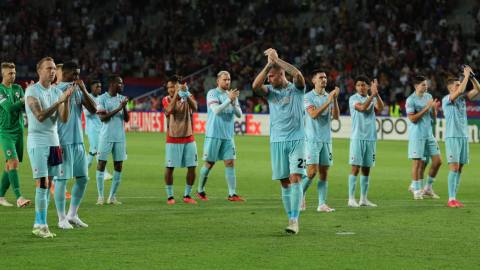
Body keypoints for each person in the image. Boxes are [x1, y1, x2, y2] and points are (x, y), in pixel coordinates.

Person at [252, 48, 305, 234]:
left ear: (282, 74)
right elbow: (255, 86)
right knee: (284, 181)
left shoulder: (296, 89)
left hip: (297, 139)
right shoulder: (271, 93)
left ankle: (294, 220)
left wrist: (277, 60)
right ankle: (291, 215)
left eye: (272, 76)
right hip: (277, 141)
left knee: (295, 177)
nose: (269, 79)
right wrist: (268, 65)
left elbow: (297, 74)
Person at [26, 57, 74, 238]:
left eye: (54, 69)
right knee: (42, 183)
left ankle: (39, 224)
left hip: (54, 142)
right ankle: (42, 225)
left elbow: (63, 119)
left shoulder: (55, 91)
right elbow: (40, 116)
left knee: (49, 183)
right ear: (39, 71)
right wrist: (60, 101)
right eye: (48, 68)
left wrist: (66, 100)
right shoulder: (33, 90)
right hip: (38, 142)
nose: (52, 72)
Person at [53, 61, 97, 229]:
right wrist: (56, 142)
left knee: (83, 178)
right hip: (62, 142)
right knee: (62, 180)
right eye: (75, 74)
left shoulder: (79, 90)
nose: (78, 77)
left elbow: (93, 110)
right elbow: (51, 119)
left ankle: (72, 215)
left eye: (79, 74)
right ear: (65, 75)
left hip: (78, 142)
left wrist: (84, 89)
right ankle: (61, 218)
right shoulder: (55, 91)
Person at [196, 71, 245, 202]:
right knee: (209, 163)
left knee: (230, 162)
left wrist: (234, 103)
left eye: (229, 80)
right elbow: (216, 110)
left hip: (228, 136)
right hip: (214, 134)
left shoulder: (232, 95)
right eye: (225, 80)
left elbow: (239, 115)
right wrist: (229, 99)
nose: (227, 82)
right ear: (218, 81)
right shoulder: (212, 93)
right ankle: (200, 190)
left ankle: (232, 194)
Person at [301, 70, 339, 212]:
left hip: (326, 140)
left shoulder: (329, 96)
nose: (324, 79)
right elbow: (313, 114)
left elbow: (335, 116)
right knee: (312, 172)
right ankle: (300, 194)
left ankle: (321, 204)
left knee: (325, 172)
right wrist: (328, 101)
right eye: (321, 77)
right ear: (314, 81)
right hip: (312, 140)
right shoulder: (308, 97)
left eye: (325, 77)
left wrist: (334, 100)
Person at [442, 66, 480, 207]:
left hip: (463, 136)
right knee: (454, 166)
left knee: (460, 168)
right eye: (457, 85)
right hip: (452, 137)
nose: (460, 86)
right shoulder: (447, 99)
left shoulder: (463, 100)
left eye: (460, 83)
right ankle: (450, 199)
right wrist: (465, 76)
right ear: (450, 88)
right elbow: (461, 90)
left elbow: (478, 90)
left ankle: (454, 198)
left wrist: (472, 77)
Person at [347, 76, 384, 207]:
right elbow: (362, 108)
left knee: (366, 169)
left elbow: (381, 107)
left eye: (364, 85)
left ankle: (363, 199)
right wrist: (372, 95)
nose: (361, 87)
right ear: (355, 87)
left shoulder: (373, 97)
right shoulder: (353, 98)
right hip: (357, 137)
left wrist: (376, 94)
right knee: (355, 168)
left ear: (368, 86)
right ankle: (351, 199)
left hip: (371, 138)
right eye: (358, 85)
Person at [162, 75, 198, 204]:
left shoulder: (188, 96)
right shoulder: (166, 99)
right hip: (173, 138)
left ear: (179, 84)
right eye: (169, 87)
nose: (170, 89)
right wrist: (177, 93)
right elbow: (169, 109)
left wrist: (186, 94)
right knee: (170, 167)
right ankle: (170, 196)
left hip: (189, 137)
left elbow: (194, 107)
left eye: (173, 86)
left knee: (192, 167)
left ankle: (187, 195)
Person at [95, 74, 130, 205]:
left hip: (120, 138)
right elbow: (102, 118)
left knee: (119, 166)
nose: (122, 85)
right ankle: (100, 196)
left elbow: (126, 119)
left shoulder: (122, 99)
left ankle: (112, 197)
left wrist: (124, 107)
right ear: (112, 85)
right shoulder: (102, 98)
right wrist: (119, 108)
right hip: (105, 137)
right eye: (120, 83)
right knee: (101, 164)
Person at [406, 75, 442, 200]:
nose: (426, 86)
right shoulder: (411, 100)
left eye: (426, 84)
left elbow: (433, 117)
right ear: (416, 86)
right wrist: (426, 108)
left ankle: (427, 188)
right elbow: (412, 119)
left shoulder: (429, 97)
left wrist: (433, 109)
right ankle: (416, 190)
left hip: (429, 135)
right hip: (417, 135)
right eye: (423, 84)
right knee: (417, 163)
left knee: (438, 161)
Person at [0, 62, 31, 207]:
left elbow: (25, 104)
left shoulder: (18, 88)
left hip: (19, 131)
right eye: (10, 73)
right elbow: (10, 109)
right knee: (14, 162)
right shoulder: (0, 90)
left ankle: (0, 196)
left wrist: (27, 95)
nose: (13, 76)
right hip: (6, 132)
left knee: (9, 164)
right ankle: (19, 198)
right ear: (3, 74)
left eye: (14, 73)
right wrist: (24, 99)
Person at [50, 63, 72, 199]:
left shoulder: (64, 91)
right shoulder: (52, 91)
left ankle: (56, 185)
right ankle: (55, 187)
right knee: (57, 165)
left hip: (65, 133)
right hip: (55, 133)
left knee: (64, 166)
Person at [84, 80, 112, 179]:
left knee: (93, 150)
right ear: (92, 88)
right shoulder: (88, 98)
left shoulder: (101, 98)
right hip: (92, 129)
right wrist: (97, 107)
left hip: (101, 129)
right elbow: (86, 113)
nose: (99, 88)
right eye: (96, 87)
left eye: (100, 87)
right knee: (98, 150)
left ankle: (83, 172)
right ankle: (104, 173)